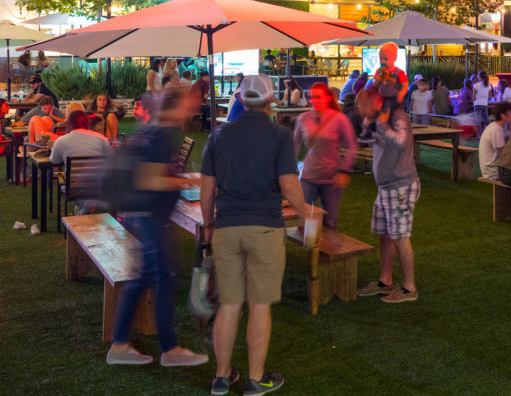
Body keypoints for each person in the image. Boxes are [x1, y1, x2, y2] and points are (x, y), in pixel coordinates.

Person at [200, 74, 310, 395]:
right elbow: (290, 185)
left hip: (227, 227)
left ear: (239, 100)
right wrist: (307, 215)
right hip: (265, 227)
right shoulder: (279, 136)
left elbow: (207, 190)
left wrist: (209, 224)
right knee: (260, 304)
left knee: (229, 304)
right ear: (270, 100)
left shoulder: (218, 136)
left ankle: (222, 378)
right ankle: (255, 379)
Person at [107, 88, 208, 369]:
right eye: (190, 101)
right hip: (150, 216)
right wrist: (188, 182)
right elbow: (150, 180)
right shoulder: (164, 134)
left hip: (144, 214)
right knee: (164, 280)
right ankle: (169, 349)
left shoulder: (155, 129)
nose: (194, 105)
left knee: (145, 279)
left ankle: (121, 343)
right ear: (177, 107)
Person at [354, 87, 421, 304]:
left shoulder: (397, 117)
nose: (359, 110)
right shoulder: (377, 121)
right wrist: (368, 129)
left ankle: (409, 288)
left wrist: (380, 124)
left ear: (374, 103)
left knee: (400, 237)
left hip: (400, 186)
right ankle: (385, 281)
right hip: (385, 187)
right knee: (385, 234)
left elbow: (400, 142)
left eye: (362, 105)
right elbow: (371, 142)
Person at [293, 82, 357, 231]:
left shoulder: (339, 119)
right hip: (308, 176)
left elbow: (351, 146)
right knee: (304, 218)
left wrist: (344, 171)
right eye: (311, 97)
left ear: (328, 98)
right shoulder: (303, 118)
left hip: (332, 178)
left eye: (317, 97)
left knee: (329, 222)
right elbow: (294, 146)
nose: (313, 100)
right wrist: (290, 169)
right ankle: (310, 251)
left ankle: (324, 252)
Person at [367, 43, 409, 119]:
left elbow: (405, 84)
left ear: (394, 59)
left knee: (388, 104)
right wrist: (377, 80)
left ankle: (385, 117)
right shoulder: (379, 71)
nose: (382, 61)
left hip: (394, 97)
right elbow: (375, 85)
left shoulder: (399, 72)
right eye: (380, 58)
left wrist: (401, 93)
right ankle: (373, 120)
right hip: (382, 96)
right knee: (374, 104)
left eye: (386, 59)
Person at [478, 101, 511, 180]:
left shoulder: (493, 126)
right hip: (493, 172)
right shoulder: (497, 129)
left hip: (490, 169)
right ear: (503, 115)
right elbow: (506, 154)